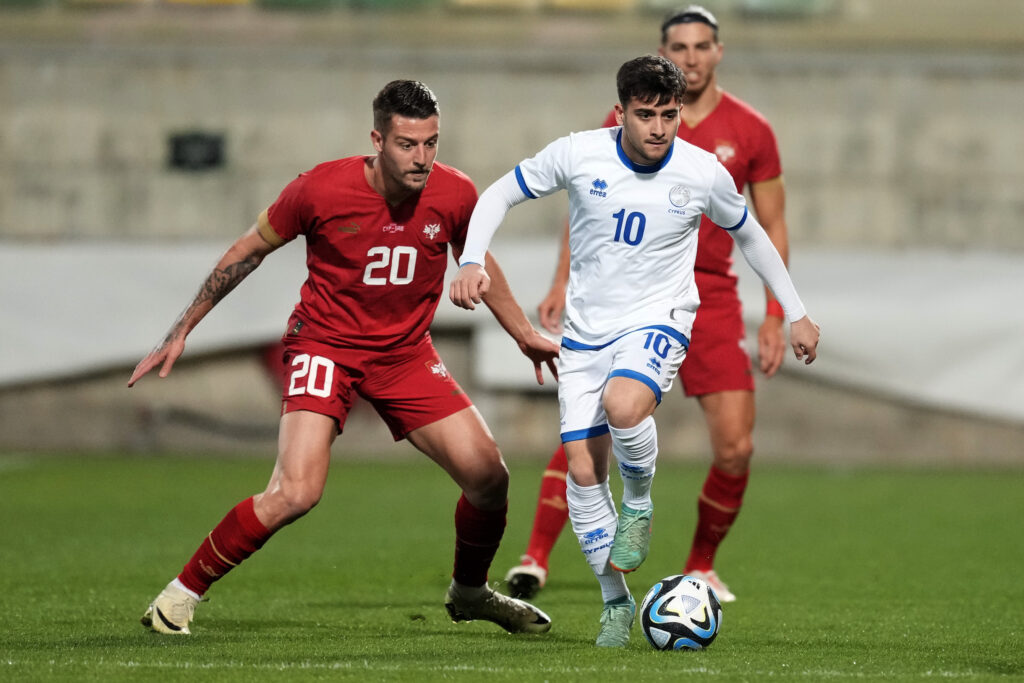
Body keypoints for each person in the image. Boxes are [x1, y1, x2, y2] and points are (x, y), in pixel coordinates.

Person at [129, 80, 558, 637]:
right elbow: (249, 250)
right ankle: (177, 598)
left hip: (405, 354)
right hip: (325, 346)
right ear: (377, 139)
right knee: (296, 492)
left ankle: (470, 593)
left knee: (489, 477)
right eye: (407, 144)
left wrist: (523, 333)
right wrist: (182, 327)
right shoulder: (318, 189)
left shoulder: (454, 194)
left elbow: (478, 262)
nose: (422, 158)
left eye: (431, 143)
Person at [451, 55, 818, 647]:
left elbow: (751, 234)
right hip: (585, 333)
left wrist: (795, 311)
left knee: (626, 407)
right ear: (620, 111)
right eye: (644, 115)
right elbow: (497, 194)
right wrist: (471, 259)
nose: (657, 128)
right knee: (581, 470)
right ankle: (616, 603)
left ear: (679, 114)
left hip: (660, 319)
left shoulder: (701, 173)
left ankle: (640, 503)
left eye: (668, 116)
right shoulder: (579, 152)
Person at [505, 5, 790, 605]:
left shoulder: (752, 132)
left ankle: (701, 567)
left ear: (719, 52)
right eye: (679, 47)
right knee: (590, 431)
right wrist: (562, 282)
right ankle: (535, 557)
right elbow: (585, 212)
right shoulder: (624, 124)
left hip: (707, 300)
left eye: (702, 46)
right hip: (621, 302)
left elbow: (770, 224)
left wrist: (774, 312)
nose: (691, 57)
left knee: (736, 446)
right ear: (664, 52)